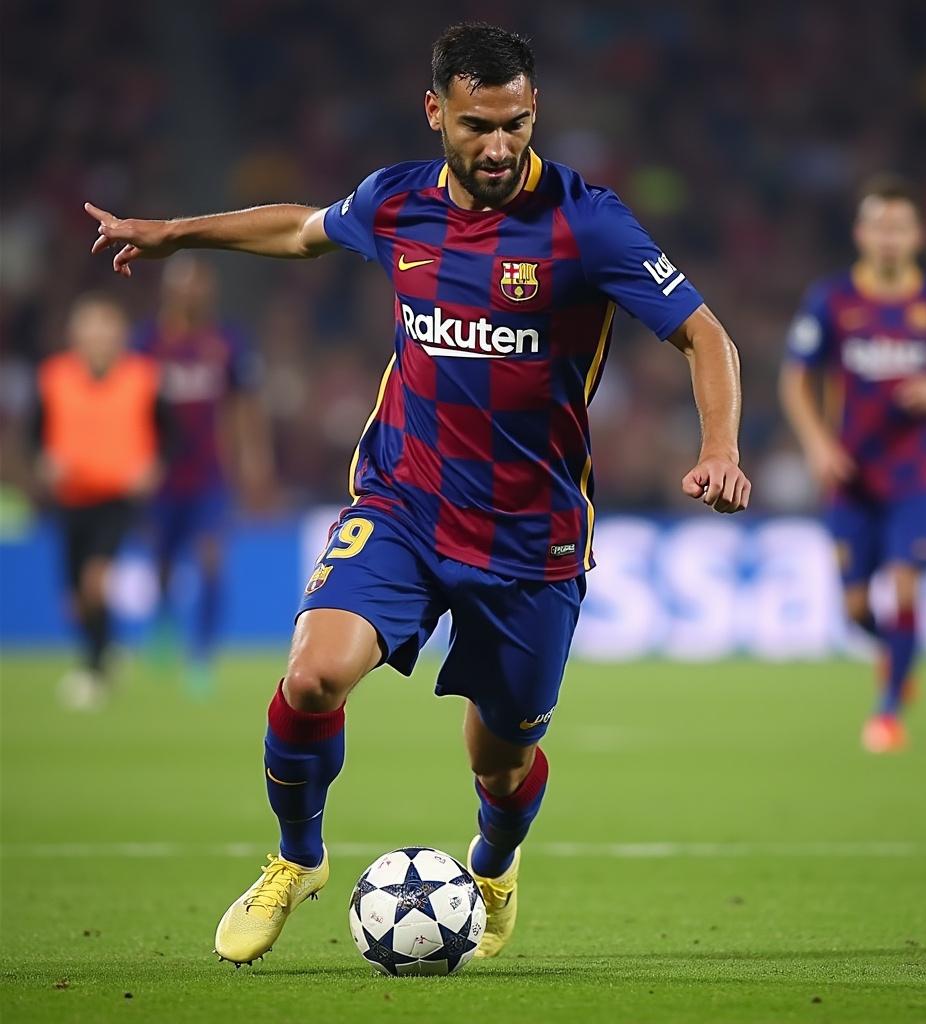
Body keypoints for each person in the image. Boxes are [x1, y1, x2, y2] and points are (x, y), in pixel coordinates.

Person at [85, 22, 750, 965]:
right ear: (435, 111)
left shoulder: (585, 222)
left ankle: (496, 862)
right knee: (313, 674)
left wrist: (718, 443)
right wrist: (177, 233)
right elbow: (302, 230)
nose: (499, 145)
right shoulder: (396, 201)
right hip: (404, 502)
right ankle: (295, 856)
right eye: (479, 124)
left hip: (531, 539)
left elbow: (706, 335)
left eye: (517, 124)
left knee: (501, 759)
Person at [780, 175, 926, 754]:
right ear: (861, 234)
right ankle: (897, 654)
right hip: (851, 474)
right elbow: (797, 378)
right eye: (879, 226)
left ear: (917, 235)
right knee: (853, 610)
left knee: (905, 584)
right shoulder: (832, 300)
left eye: (900, 227)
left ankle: (890, 708)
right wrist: (819, 445)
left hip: (917, 474)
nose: (889, 238)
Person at [133, 255, 270, 696]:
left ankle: (202, 655)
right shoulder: (145, 344)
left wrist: (254, 459)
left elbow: (246, 405)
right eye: (184, 285)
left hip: (210, 474)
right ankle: (165, 620)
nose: (192, 292)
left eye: (199, 285)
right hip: (160, 475)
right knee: (163, 565)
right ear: (168, 290)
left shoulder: (227, 343)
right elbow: (127, 408)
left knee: (212, 560)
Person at [33, 294, 172, 710]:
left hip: (117, 498)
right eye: (89, 327)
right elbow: (35, 433)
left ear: (120, 335)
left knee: (96, 579)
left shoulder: (142, 377)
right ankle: (106, 650)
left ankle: (93, 671)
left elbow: (172, 434)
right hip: (72, 498)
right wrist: (43, 461)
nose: (98, 336)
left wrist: (153, 467)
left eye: (106, 328)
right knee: (76, 596)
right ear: (75, 334)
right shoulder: (54, 377)